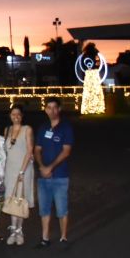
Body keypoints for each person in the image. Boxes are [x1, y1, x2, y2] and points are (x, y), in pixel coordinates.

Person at [34, 97, 73, 248]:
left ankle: (63, 237)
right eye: (49, 107)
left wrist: (50, 167)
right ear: (45, 110)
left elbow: (66, 151)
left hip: (60, 176)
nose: (52, 110)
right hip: (43, 177)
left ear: (59, 109)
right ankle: (45, 238)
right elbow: (37, 149)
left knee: (61, 208)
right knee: (44, 208)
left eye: (54, 107)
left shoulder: (66, 128)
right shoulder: (43, 128)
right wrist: (42, 166)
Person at [3, 105, 35, 245]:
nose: (16, 116)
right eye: (13, 114)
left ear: (22, 116)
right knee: (11, 199)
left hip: (23, 169)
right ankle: (12, 230)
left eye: (18, 114)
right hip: (10, 170)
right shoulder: (7, 130)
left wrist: (22, 171)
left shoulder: (27, 129)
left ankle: (19, 230)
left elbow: (29, 151)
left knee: (20, 200)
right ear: (10, 115)